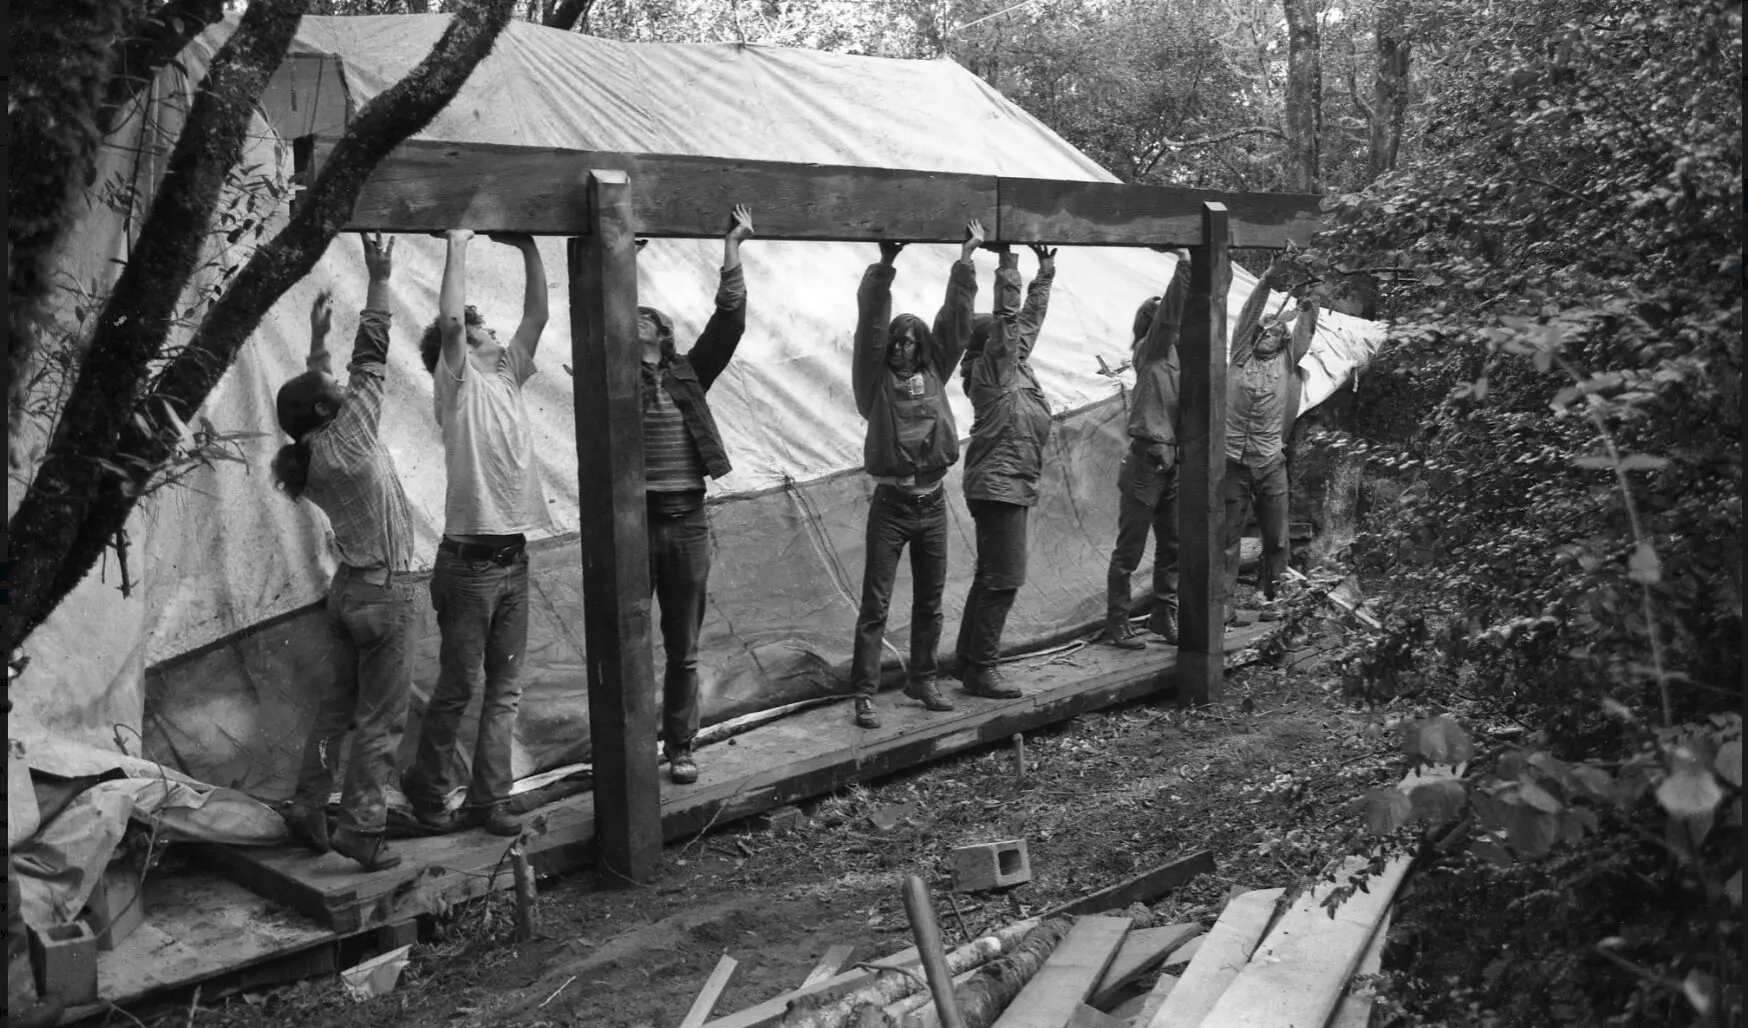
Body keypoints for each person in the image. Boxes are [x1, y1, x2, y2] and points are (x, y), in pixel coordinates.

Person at [270, 233, 417, 871]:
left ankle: (308, 805)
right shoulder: (351, 438)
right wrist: (379, 276)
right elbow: (371, 358)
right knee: (381, 720)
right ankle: (360, 830)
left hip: (348, 595)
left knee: (334, 713)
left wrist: (314, 339)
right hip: (385, 594)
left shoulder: (314, 452)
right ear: (329, 408)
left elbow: (323, 389)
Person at [405, 229, 551, 837]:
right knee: (460, 686)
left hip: (513, 561)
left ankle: (489, 801)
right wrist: (458, 244)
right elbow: (452, 322)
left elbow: (538, 313)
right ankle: (428, 794)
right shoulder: (457, 383)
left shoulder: (509, 376)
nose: (492, 334)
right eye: (480, 332)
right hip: (468, 567)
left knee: (506, 689)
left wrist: (526, 246)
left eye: (486, 331)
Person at [847, 221, 985, 729]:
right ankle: (863, 693)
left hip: (932, 506)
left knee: (931, 601)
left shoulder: (934, 376)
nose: (902, 348)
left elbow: (956, 323)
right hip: (892, 508)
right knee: (876, 605)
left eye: (910, 342)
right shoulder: (874, 382)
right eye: (897, 343)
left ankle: (922, 678)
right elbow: (870, 328)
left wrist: (965, 259)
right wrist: (884, 267)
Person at [638, 205, 756, 783]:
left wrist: (732, 247)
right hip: (632, 526)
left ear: (663, 335)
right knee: (628, 643)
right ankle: (630, 749)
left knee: (682, 646)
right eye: (626, 314)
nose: (635, 319)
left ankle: (679, 747)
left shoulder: (688, 373)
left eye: (646, 316)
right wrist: (619, 262)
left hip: (686, 521)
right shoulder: (614, 378)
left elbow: (729, 321)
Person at [953, 242, 1057, 699]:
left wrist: (1045, 275)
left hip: (1009, 482)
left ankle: (967, 663)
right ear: (993, 345)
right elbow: (1011, 322)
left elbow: (1026, 324)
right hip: (998, 486)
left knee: (990, 576)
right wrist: (1008, 266)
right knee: (1005, 578)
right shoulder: (992, 371)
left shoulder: (1016, 368)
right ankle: (983, 668)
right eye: (1004, 337)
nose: (1015, 340)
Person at [1103, 248, 1191, 650]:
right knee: (1130, 549)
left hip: (1172, 461)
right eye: (1161, 316)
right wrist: (1184, 265)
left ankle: (1162, 614)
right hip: (1146, 461)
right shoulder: (1149, 350)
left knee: (1172, 545)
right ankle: (1117, 623)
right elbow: (1171, 314)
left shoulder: (1175, 354)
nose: (1170, 321)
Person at [1224, 262, 1319, 626]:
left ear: (1283, 340)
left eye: (1276, 331)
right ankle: (1224, 605)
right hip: (1233, 460)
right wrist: (1266, 281)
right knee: (1228, 538)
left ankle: (1274, 599)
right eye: (1263, 330)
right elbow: (1248, 316)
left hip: (1269, 462)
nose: (1268, 334)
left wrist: (1312, 288)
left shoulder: (1288, 360)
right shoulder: (1239, 356)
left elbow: (1306, 325)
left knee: (1277, 539)